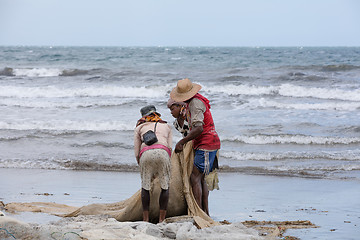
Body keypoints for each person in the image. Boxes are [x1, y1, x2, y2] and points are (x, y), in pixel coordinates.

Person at [170, 78, 220, 215]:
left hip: (206, 143)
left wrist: (182, 142)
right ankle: (204, 211)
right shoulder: (193, 102)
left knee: (195, 177)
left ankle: (198, 212)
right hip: (207, 142)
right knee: (200, 177)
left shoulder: (195, 104)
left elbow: (198, 129)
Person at [134, 105, 173, 222]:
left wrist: (140, 164)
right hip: (163, 153)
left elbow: (136, 152)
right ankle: (161, 219)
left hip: (145, 154)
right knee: (165, 187)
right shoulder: (166, 126)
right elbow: (170, 148)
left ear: (143, 117)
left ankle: (145, 219)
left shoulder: (139, 127)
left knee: (145, 187)